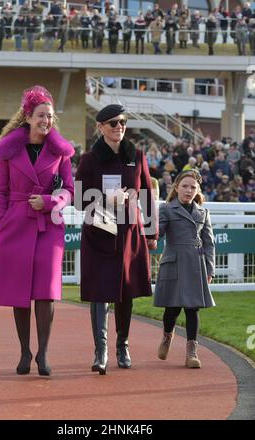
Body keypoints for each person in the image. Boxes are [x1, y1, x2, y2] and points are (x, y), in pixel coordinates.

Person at [0, 85, 74, 376]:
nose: (46, 121)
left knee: (46, 292)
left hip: (49, 225)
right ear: (28, 116)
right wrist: (1, 220)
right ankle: (25, 352)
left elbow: (70, 191)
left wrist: (51, 201)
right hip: (16, 223)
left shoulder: (61, 151)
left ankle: (43, 353)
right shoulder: (9, 150)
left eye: (49, 116)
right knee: (19, 290)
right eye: (41, 116)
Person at [75, 104, 158, 375]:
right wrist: (105, 199)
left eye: (122, 122)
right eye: (113, 123)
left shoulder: (137, 156)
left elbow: (147, 195)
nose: (119, 127)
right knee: (100, 291)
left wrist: (151, 232)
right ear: (100, 127)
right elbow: (78, 199)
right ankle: (101, 351)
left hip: (129, 234)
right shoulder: (88, 160)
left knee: (126, 292)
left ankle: (122, 345)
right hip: (99, 233)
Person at [154, 169, 215, 369]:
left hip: (196, 265)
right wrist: (151, 234)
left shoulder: (203, 212)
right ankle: (167, 335)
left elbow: (209, 243)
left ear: (197, 190)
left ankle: (191, 352)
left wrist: (210, 269)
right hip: (174, 263)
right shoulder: (166, 209)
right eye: (185, 186)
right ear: (177, 187)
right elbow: (158, 232)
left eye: (193, 187)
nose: (189, 191)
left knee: (192, 308)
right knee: (171, 309)